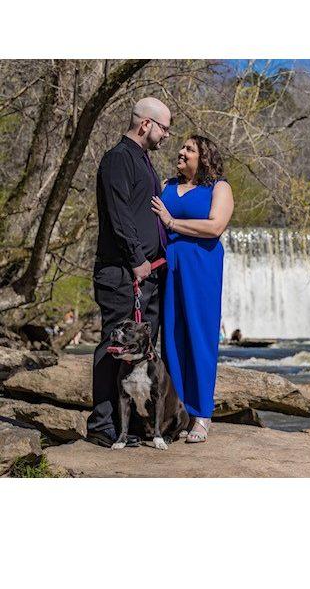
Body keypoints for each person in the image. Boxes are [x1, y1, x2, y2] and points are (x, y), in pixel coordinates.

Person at [86, 97, 171, 448]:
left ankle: (132, 426)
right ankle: (101, 425)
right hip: (122, 271)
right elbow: (119, 215)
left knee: (143, 348)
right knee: (114, 344)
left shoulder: (143, 161)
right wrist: (137, 258)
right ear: (146, 124)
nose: (168, 134)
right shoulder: (118, 159)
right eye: (165, 127)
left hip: (146, 272)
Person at [151, 135, 234, 443]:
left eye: (189, 149)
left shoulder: (219, 188)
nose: (181, 152)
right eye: (182, 147)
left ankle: (201, 416)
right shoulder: (166, 185)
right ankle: (177, 414)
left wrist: (171, 223)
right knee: (171, 337)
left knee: (200, 336)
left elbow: (215, 227)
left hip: (202, 267)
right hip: (168, 266)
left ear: (204, 157)